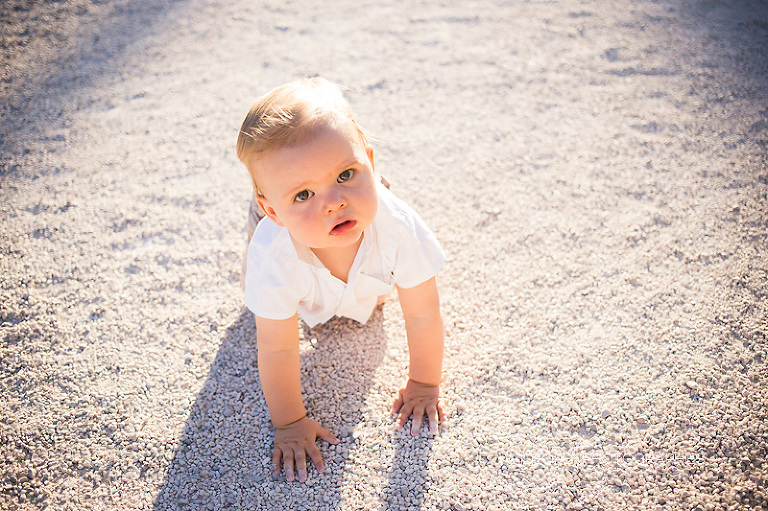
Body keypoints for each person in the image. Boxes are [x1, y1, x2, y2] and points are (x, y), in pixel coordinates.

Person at [236, 77, 446, 483]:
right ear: (275, 211)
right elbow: (278, 347)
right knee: (259, 297)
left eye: (346, 174)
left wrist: (424, 383)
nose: (333, 202)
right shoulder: (273, 252)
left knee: (377, 286)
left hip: (372, 237)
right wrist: (289, 422)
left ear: (370, 162)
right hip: (285, 243)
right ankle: (302, 192)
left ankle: (334, 187)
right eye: (303, 194)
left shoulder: (398, 226)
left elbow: (423, 313)